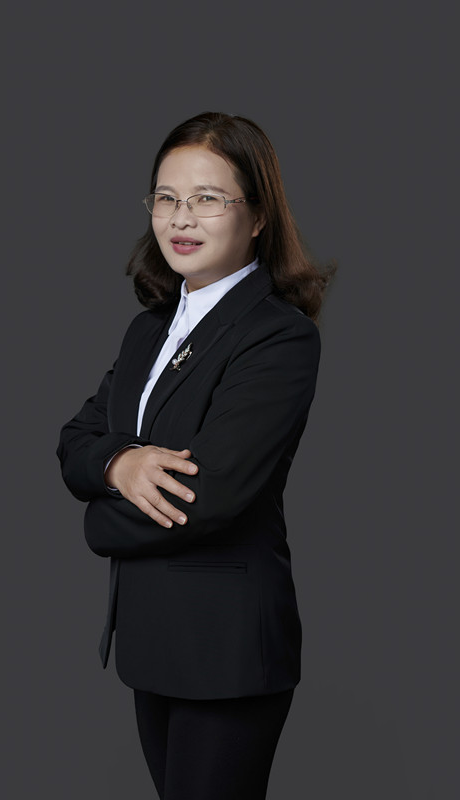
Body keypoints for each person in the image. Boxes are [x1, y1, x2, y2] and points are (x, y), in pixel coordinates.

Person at [56, 111, 336, 800]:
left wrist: (94, 519)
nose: (181, 218)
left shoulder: (278, 337)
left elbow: (204, 496)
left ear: (258, 215)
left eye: (207, 198)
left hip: (225, 649)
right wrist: (119, 465)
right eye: (166, 197)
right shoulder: (147, 330)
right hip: (152, 641)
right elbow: (75, 442)